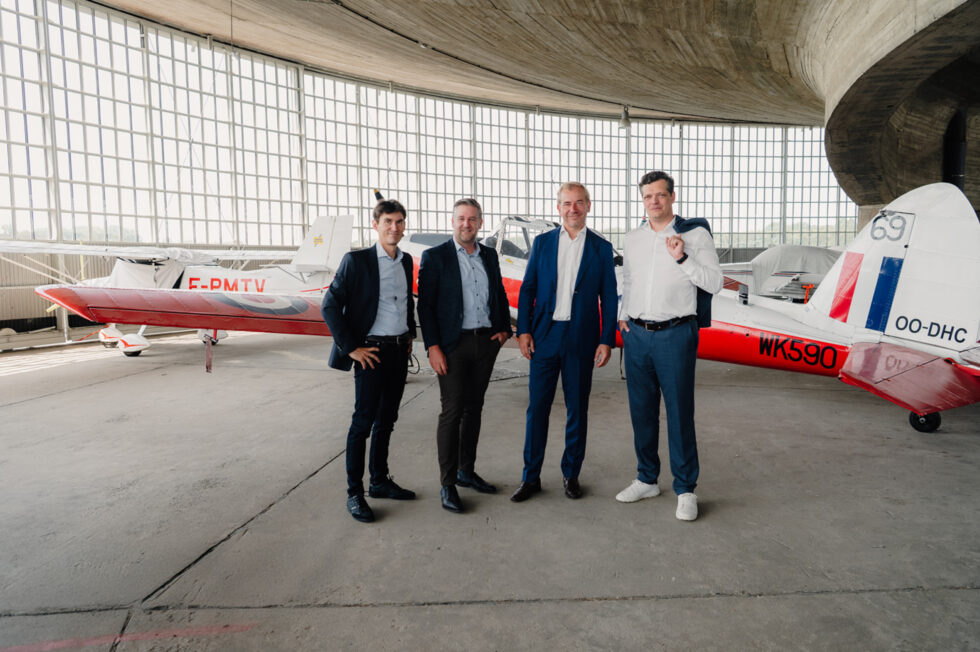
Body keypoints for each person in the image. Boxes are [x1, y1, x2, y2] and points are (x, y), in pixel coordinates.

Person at [615, 171, 722, 521]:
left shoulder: (694, 234)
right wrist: (622, 315)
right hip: (637, 335)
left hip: (676, 333)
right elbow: (629, 279)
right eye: (648, 196)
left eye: (660, 195)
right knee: (641, 411)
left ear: (672, 197)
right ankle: (647, 478)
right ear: (642, 200)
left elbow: (715, 282)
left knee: (679, 413)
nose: (654, 201)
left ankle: (685, 488)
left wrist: (683, 258)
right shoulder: (632, 238)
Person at [511, 182, 618, 502]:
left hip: (581, 338)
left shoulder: (601, 247)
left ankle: (571, 474)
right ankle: (531, 478)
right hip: (544, 336)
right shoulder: (542, 244)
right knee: (537, 409)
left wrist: (606, 339)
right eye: (567, 203)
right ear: (558, 208)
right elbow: (528, 288)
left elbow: (609, 297)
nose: (573, 209)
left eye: (579, 203)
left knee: (577, 409)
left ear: (588, 206)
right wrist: (524, 331)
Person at [321, 199, 417, 523]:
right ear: (375, 224)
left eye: (399, 222)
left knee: (387, 420)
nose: (394, 227)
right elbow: (329, 306)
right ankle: (354, 493)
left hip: (398, 351)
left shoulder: (406, 262)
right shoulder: (356, 261)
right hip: (371, 353)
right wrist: (351, 348)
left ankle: (379, 481)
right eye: (388, 221)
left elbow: (405, 304)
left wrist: (410, 335)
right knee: (362, 424)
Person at [417, 198, 512, 513]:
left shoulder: (488, 255)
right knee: (452, 411)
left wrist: (502, 330)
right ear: (453, 221)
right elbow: (425, 306)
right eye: (461, 218)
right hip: (452, 346)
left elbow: (497, 292)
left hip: (484, 342)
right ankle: (447, 484)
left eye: (472, 219)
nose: (466, 224)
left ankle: (466, 471)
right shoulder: (436, 257)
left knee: (474, 409)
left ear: (480, 223)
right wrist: (432, 346)